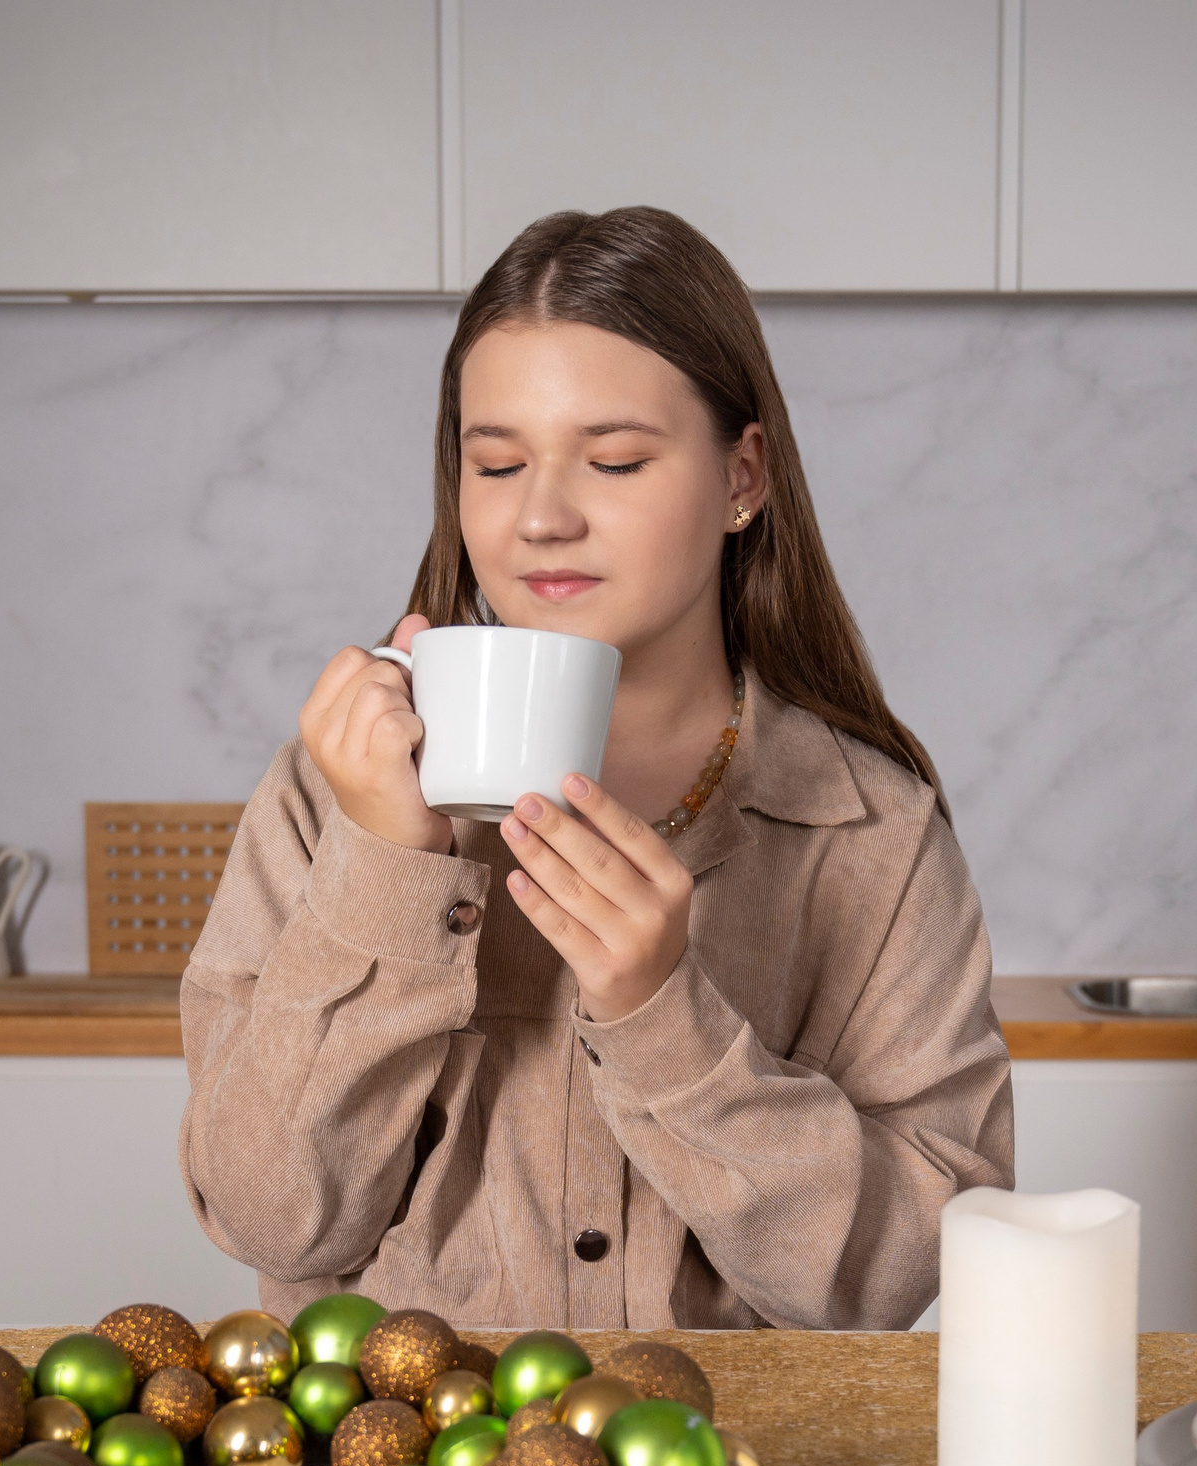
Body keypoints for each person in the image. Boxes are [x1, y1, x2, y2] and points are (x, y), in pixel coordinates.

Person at [178, 206, 1012, 1331]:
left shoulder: (872, 833)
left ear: (742, 479)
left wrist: (666, 1020)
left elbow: (895, 1279)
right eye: (497, 462)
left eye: (614, 460)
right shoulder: (333, 793)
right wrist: (385, 867)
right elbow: (271, 1220)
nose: (540, 518)